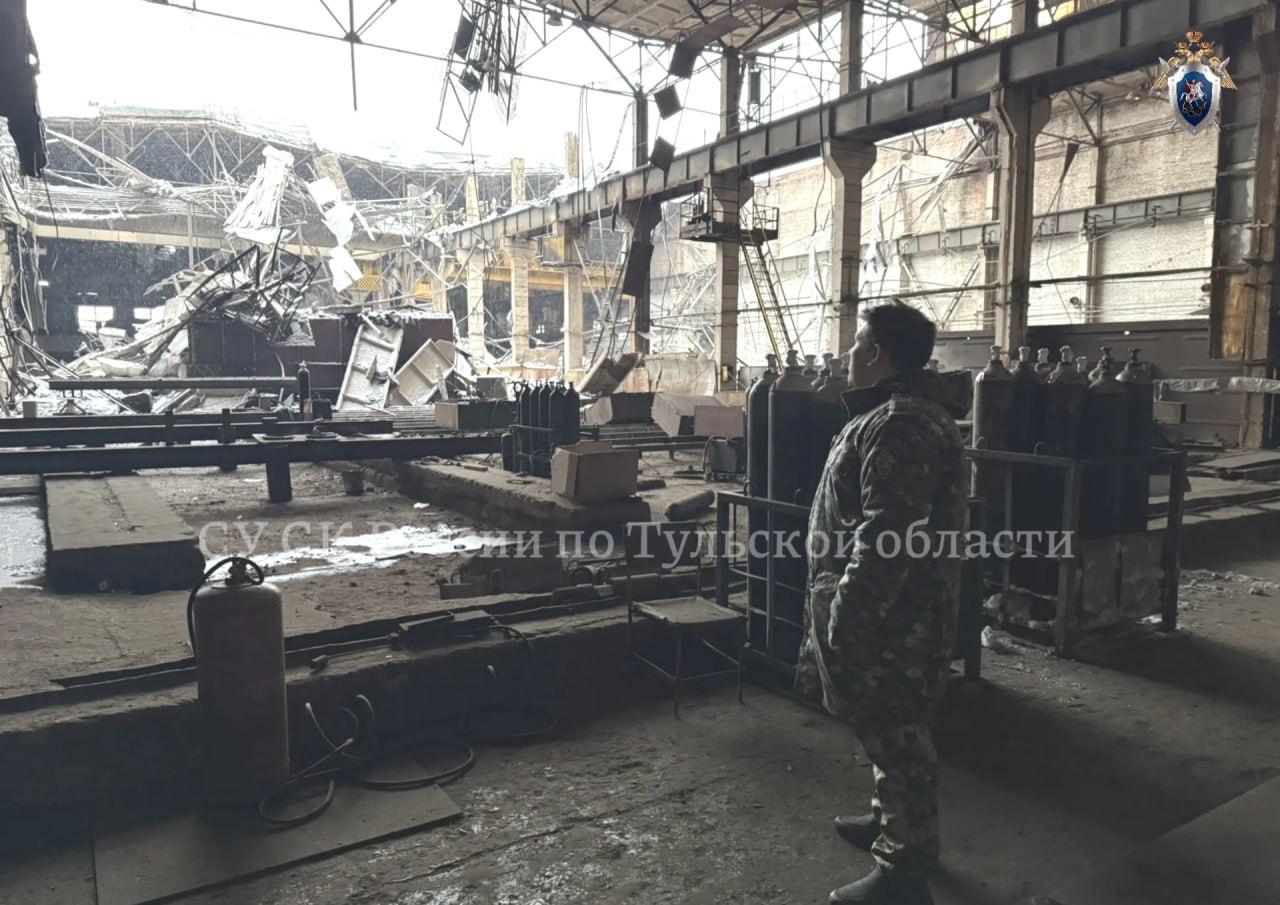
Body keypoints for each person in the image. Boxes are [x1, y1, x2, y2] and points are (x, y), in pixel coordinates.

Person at [797, 301, 971, 904]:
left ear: (874, 353)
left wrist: (851, 613)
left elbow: (888, 533)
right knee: (883, 722)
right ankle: (887, 817)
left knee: (897, 730)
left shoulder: (901, 423)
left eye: (855, 344)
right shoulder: (897, 414)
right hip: (895, 608)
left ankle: (904, 869)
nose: (848, 354)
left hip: (893, 614)